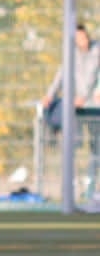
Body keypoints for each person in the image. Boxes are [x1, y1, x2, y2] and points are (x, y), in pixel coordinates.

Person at [38, 24, 100, 199]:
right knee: (72, 145)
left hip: (93, 106)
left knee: (96, 147)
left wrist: (96, 92)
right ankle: (71, 187)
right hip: (75, 106)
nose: (83, 40)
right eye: (78, 38)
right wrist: (49, 95)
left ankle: (90, 188)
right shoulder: (71, 55)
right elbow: (60, 76)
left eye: (84, 36)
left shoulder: (97, 51)